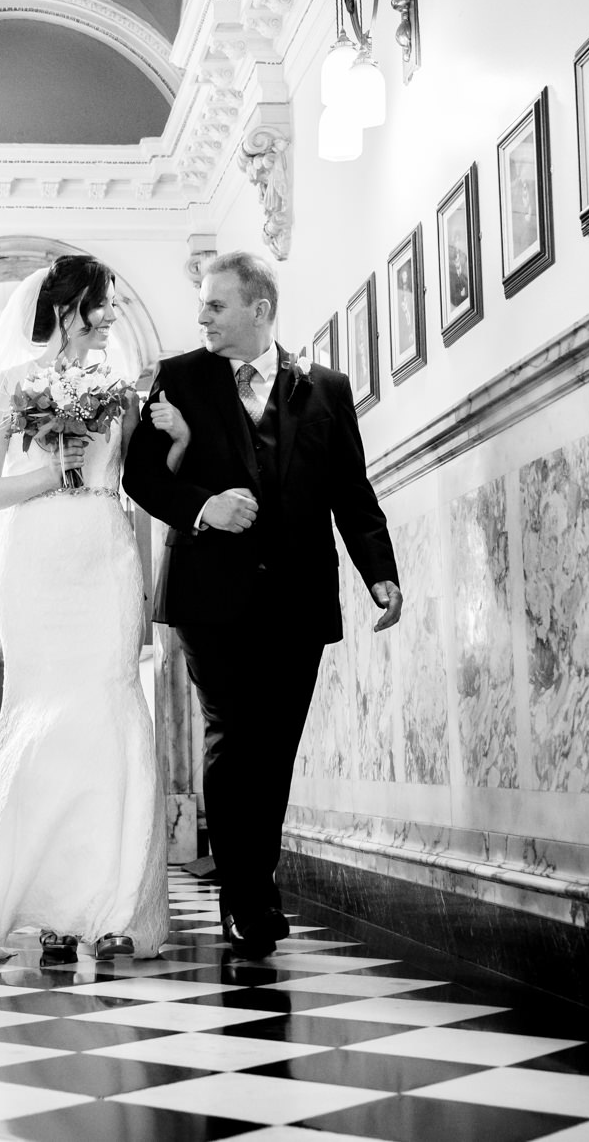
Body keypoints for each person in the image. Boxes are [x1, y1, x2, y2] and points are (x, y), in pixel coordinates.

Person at [123, 251, 401, 959]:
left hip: (299, 596)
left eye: (216, 304)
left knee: (273, 748)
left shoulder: (326, 389)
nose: (202, 316)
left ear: (259, 309)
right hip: (208, 596)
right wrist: (204, 507)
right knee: (232, 730)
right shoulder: (180, 377)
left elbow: (352, 491)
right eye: (202, 305)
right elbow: (141, 476)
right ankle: (245, 898)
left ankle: (255, 883)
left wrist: (381, 572)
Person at [0, 256, 168, 962]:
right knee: (45, 712)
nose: (112, 317)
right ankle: (44, 902)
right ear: (68, 307)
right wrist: (49, 473)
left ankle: (114, 904)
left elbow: (132, 491)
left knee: (112, 708)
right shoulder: (9, 383)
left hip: (105, 553)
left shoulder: (121, 389)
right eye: (103, 304)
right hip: (38, 563)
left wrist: (145, 587)